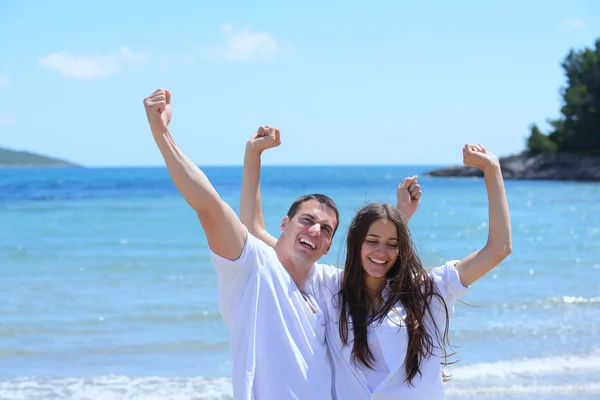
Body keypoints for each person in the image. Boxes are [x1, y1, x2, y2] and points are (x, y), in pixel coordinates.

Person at [241, 129, 512, 399]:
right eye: (371, 241)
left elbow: (498, 249)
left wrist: (491, 169)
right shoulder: (330, 286)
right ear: (355, 244)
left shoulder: (427, 291)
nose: (381, 252)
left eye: (392, 245)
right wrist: (254, 154)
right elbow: (255, 231)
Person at [143, 89, 343, 399]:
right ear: (285, 225)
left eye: (326, 229)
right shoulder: (254, 267)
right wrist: (162, 134)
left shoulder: (324, 287)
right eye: (307, 220)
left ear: (328, 246)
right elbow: (209, 206)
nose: (316, 230)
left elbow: (379, 263)